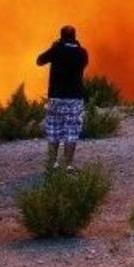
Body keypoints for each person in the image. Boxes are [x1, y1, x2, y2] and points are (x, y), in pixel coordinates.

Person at [36, 25, 88, 171]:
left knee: (54, 130)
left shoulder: (56, 50)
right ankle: (68, 165)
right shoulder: (82, 52)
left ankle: (53, 164)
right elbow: (83, 64)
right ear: (74, 36)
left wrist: (55, 47)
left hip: (56, 98)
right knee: (71, 132)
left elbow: (39, 61)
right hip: (74, 98)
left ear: (61, 36)